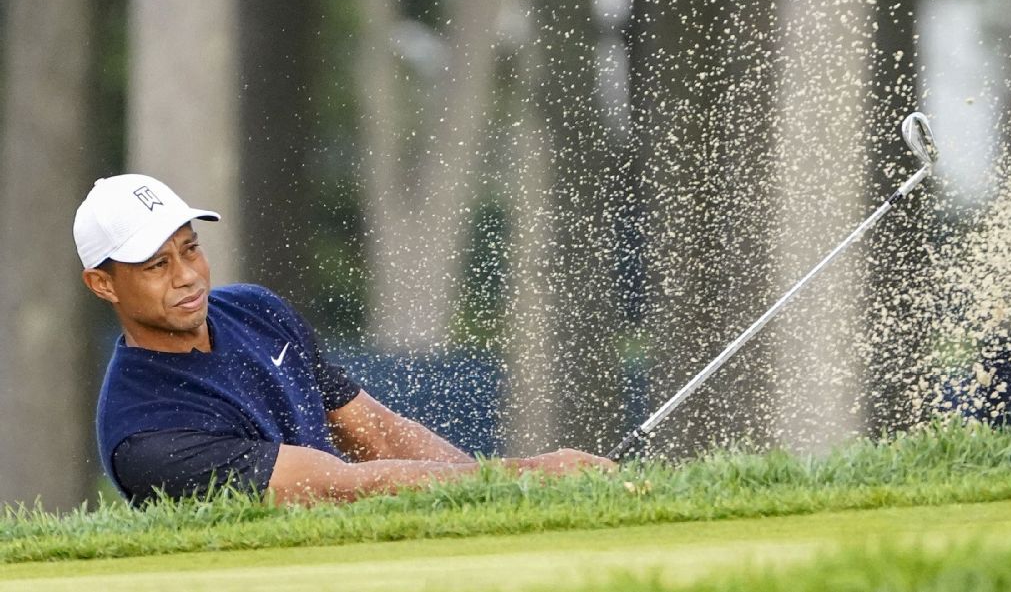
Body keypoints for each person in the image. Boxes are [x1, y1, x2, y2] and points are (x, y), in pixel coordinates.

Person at [75, 174, 613, 506]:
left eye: (190, 249)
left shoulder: (257, 310)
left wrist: (503, 493)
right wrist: (530, 475)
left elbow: (377, 435)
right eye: (157, 265)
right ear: (103, 284)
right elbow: (338, 488)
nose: (188, 276)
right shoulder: (144, 435)